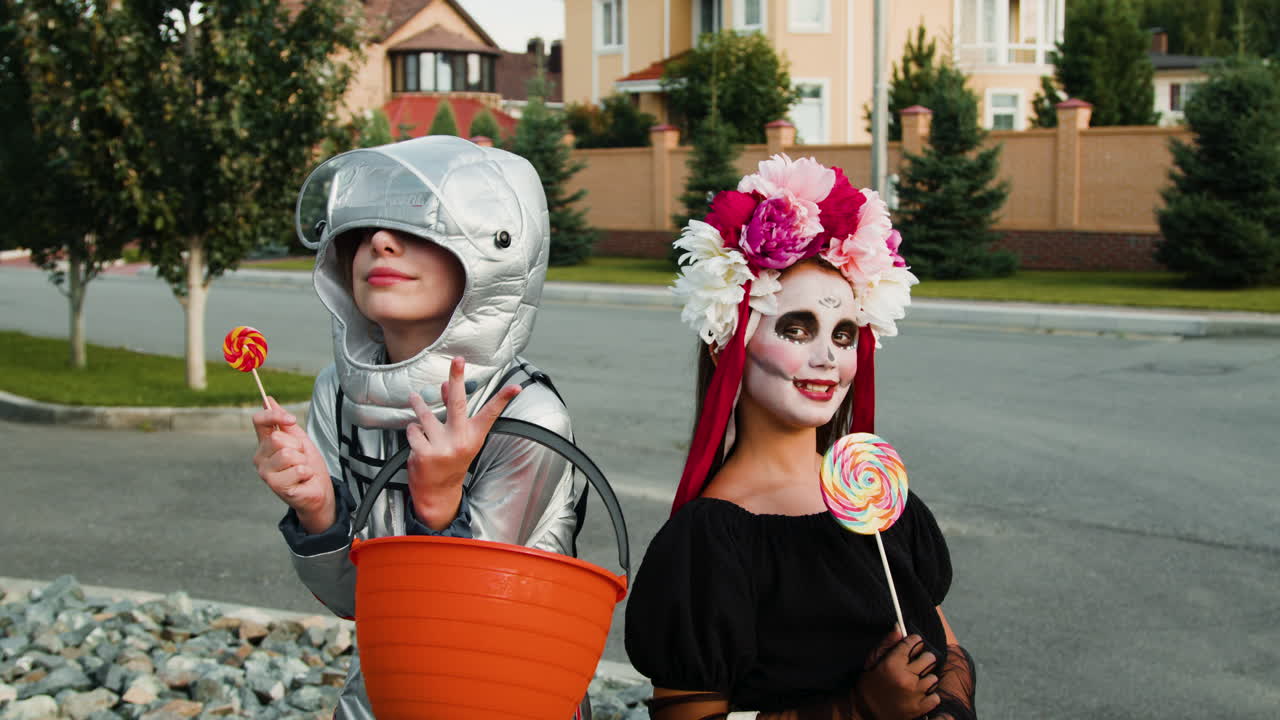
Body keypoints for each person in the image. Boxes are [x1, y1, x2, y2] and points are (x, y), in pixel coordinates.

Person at [624, 155, 977, 720]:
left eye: (844, 335)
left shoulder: (874, 494)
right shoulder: (707, 545)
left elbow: (947, 646)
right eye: (796, 328)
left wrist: (944, 702)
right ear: (726, 343)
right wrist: (859, 708)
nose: (827, 358)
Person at [250, 136, 588, 719]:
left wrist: (438, 506)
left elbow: (461, 624)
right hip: (383, 696)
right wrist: (319, 512)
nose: (380, 242)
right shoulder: (338, 390)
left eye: (422, 227)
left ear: (495, 257)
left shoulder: (525, 414)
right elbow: (354, 602)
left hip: (504, 700)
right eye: (365, 229)